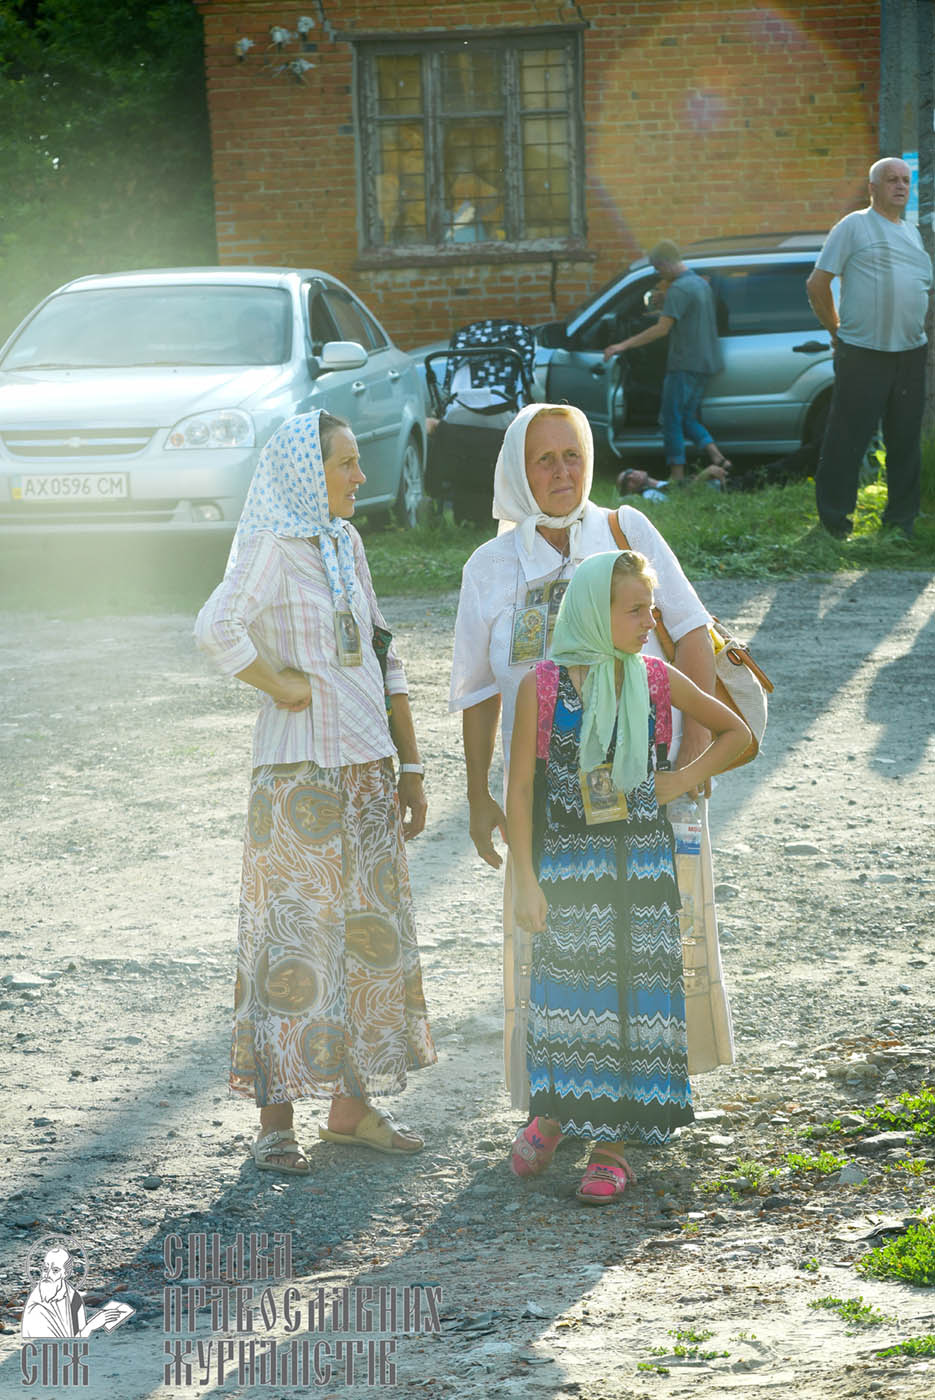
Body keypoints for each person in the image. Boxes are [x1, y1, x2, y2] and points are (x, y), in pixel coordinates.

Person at [449, 402, 733, 1110]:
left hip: (637, 786)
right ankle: (557, 1103)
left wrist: (686, 768)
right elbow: (481, 693)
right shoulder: (488, 568)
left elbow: (690, 634)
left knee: (644, 943)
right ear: (516, 470)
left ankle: (639, 1098)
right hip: (542, 793)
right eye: (543, 459)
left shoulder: (622, 528)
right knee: (555, 944)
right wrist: (480, 794)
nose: (562, 472)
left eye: (573, 455)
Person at [195, 410, 436, 1174]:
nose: (360, 476)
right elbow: (214, 626)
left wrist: (412, 765)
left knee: (368, 941)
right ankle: (275, 1126)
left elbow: (381, 649)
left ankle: (351, 1109)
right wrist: (279, 684)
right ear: (308, 470)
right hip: (299, 778)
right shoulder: (272, 545)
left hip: (366, 772)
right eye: (347, 463)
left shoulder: (345, 542)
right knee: (291, 943)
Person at [506, 551, 750, 1201]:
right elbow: (521, 790)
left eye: (651, 607)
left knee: (628, 1003)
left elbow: (738, 734)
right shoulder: (545, 685)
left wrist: (681, 777)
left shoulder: (656, 678)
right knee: (565, 994)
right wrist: (525, 881)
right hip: (570, 874)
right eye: (634, 609)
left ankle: (610, 1146)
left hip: (639, 874)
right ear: (593, 610)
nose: (649, 620)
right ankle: (554, 1115)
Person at [806, 156, 933, 539]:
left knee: (905, 440)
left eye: (905, 180)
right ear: (872, 188)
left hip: (910, 353)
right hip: (863, 352)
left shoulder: (912, 234)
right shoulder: (854, 226)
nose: (900, 186)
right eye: (891, 179)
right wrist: (837, 331)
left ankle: (900, 523)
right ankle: (833, 524)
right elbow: (816, 285)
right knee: (847, 438)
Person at [603, 240, 730, 480]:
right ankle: (718, 457)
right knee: (687, 417)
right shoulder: (699, 284)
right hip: (705, 362)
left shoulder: (679, 289)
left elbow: (662, 329)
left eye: (658, 269)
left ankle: (676, 474)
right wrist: (665, 304)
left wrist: (623, 344)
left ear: (666, 263)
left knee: (670, 419)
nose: (659, 274)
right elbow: (687, 316)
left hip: (684, 364)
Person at [617, 463, 728, 500]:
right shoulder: (649, 494)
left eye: (629, 472)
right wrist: (702, 477)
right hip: (725, 490)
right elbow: (679, 500)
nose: (632, 476)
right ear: (630, 492)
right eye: (627, 481)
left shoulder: (665, 483)